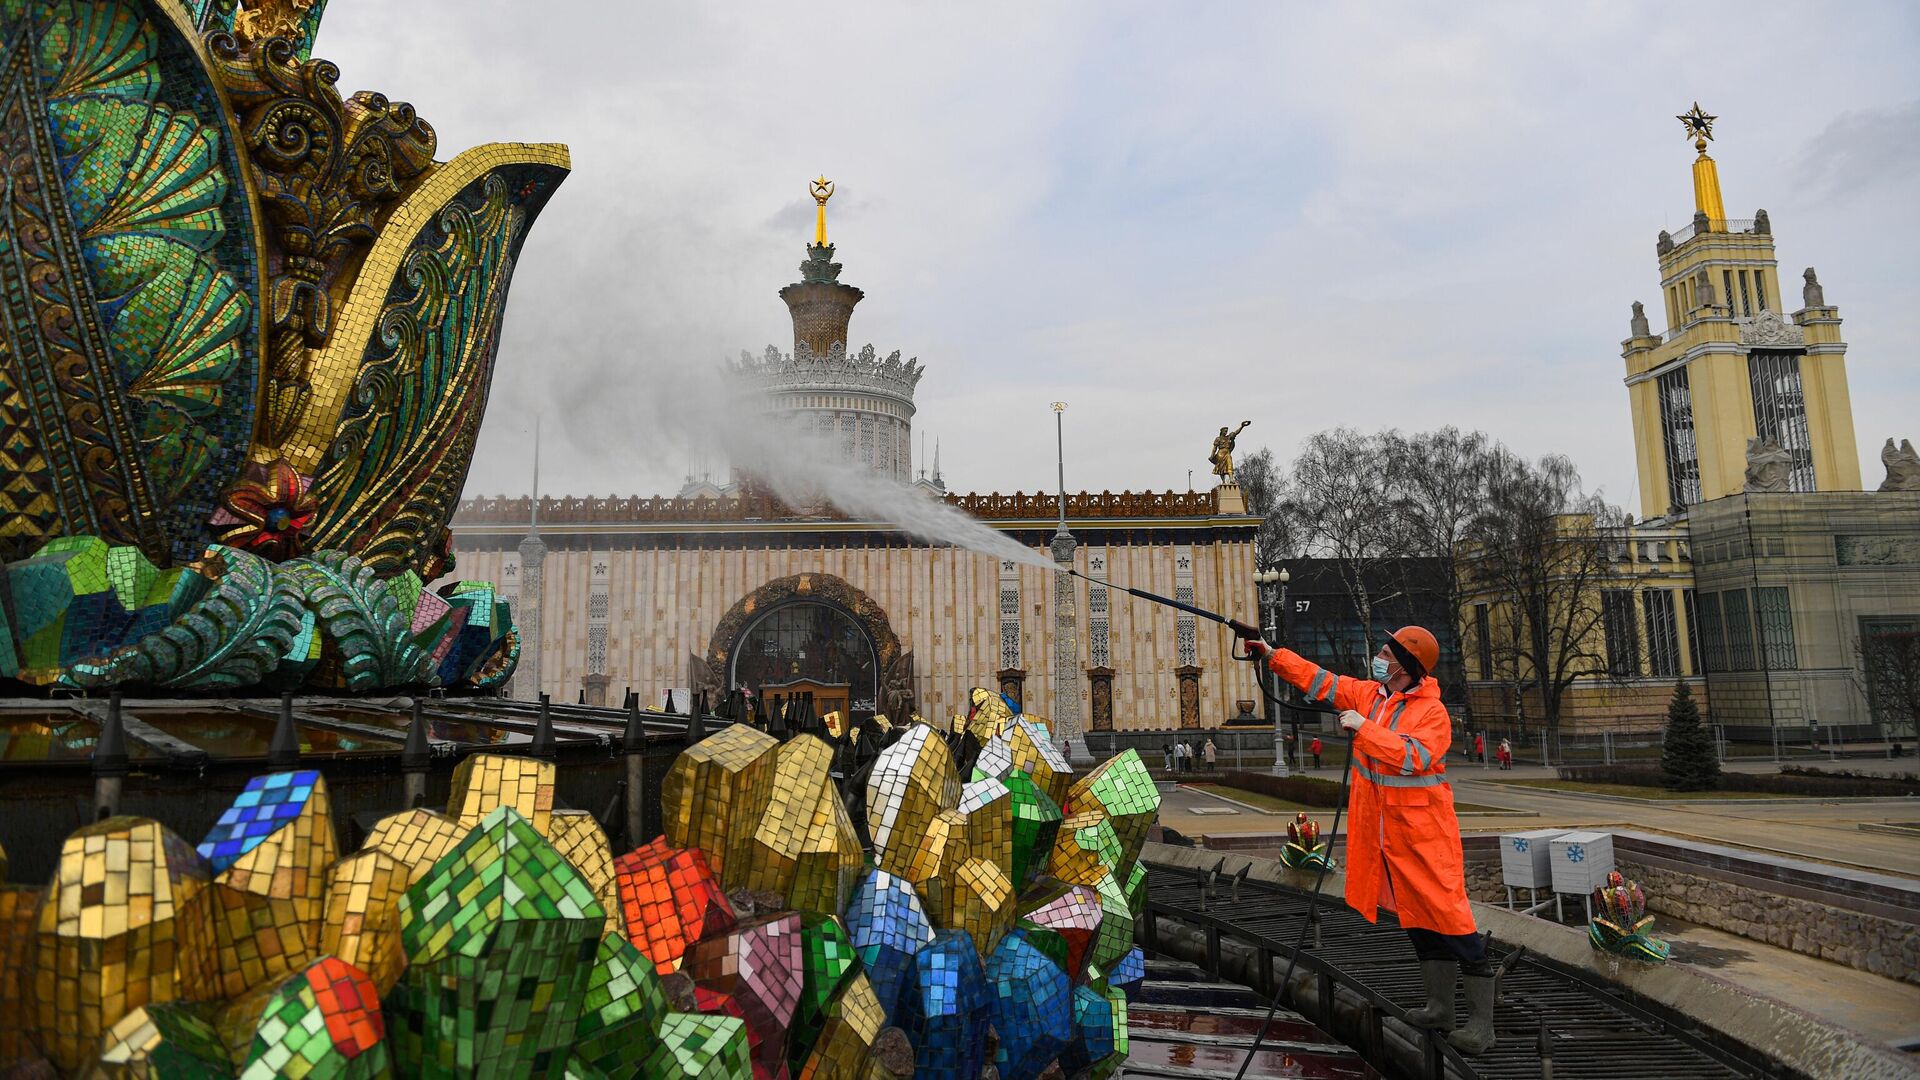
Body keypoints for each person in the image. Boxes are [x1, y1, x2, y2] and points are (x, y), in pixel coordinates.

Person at [1244, 626, 1499, 1055]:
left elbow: (1414, 757)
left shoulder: (1431, 712)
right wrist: (1272, 655)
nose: (1378, 657)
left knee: (1454, 926)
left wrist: (1365, 729)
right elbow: (1322, 680)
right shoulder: (1370, 695)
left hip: (1425, 840)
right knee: (1417, 924)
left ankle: (1482, 1025)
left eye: (1386, 651)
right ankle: (1440, 1009)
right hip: (1389, 841)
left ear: (1404, 663)